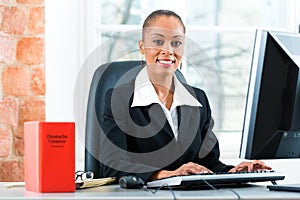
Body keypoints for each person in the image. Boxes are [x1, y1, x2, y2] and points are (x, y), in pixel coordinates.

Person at [99, 9, 272, 182]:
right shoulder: (118, 99)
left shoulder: (198, 99)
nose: (168, 50)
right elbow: (112, 165)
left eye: (176, 43)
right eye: (158, 41)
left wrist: (236, 171)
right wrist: (168, 175)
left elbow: (209, 163)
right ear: (142, 46)